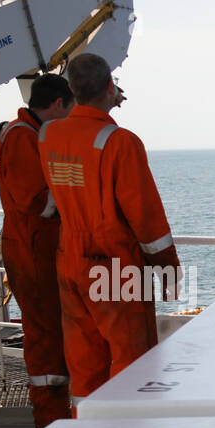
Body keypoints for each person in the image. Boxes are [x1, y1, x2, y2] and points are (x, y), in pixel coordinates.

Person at [39, 53, 180, 403]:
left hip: (69, 260)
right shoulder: (120, 143)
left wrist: (103, 103)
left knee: (84, 362)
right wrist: (168, 271)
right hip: (113, 266)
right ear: (109, 86)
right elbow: (147, 221)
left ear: (70, 89)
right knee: (132, 362)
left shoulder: (48, 135)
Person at [0, 74, 73, 428]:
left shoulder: (27, 133)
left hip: (35, 247)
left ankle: (55, 417)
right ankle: (50, 422)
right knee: (45, 338)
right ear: (58, 104)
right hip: (31, 249)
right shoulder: (22, 137)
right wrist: (75, 188)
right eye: (70, 110)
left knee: (51, 334)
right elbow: (38, 202)